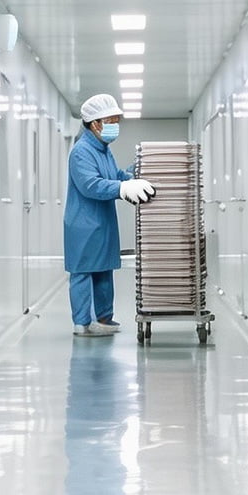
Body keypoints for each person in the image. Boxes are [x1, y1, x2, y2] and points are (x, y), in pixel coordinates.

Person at [63, 94, 153, 337]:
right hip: (83, 224)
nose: (116, 126)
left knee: (103, 270)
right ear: (95, 123)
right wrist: (123, 189)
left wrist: (137, 171)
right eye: (112, 120)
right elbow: (90, 185)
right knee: (83, 272)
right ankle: (82, 323)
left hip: (102, 222)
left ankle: (104, 318)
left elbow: (114, 176)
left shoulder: (103, 150)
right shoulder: (81, 152)